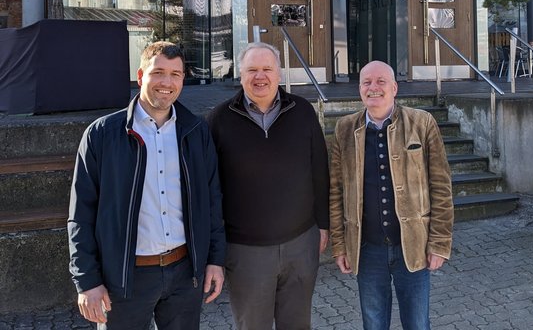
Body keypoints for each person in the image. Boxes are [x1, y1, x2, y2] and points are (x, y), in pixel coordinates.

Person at [68, 41, 225, 329]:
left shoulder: (195, 131)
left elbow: (211, 201)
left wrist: (215, 260)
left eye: (176, 74)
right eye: (158, 72)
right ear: (141, 76)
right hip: (125, 278)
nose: (167, 82)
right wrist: (87, 281)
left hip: (184, 273)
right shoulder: (102, 135)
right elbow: (81, 215)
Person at [207, 41, 329, 330]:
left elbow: (320, 170)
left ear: (279, 74)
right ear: (240, 75)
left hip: (301, 244)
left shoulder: (303, 111)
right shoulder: (218, 119)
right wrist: (215, 248)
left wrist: (322, 225)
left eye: (266, 69)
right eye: (252, 70)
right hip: (246, 252)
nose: (259, 76)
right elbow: (210, 189)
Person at [329, 60, 454, 330]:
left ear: (394, 88)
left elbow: (441, 187)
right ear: (360, 89)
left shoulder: (422, 123)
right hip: (367, 250)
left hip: (413, 246)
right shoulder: (344, 129)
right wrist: (340, 245)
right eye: (366, 82)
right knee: (373, 325)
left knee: (418, 324)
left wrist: (440, 242)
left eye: (381, 81)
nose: (373, 87)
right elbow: (336, 192)